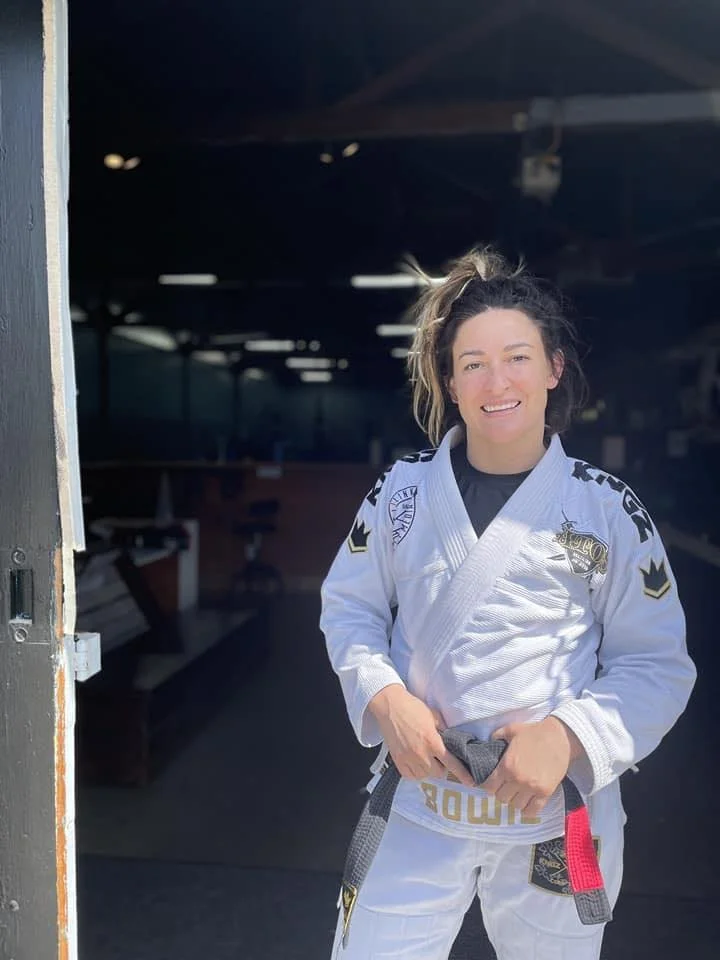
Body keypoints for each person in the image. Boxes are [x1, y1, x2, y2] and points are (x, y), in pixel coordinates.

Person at [319, 248, 696, 960]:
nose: (497, 381)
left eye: (518, 357)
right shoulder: (399, 495)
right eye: (472, 364)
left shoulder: (607, 508)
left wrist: (570, 737)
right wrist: (384, 698)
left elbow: (657, 664)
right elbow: (349, 610)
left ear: (554, 369)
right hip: (420, 804)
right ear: (450, 383)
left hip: (561, 820)